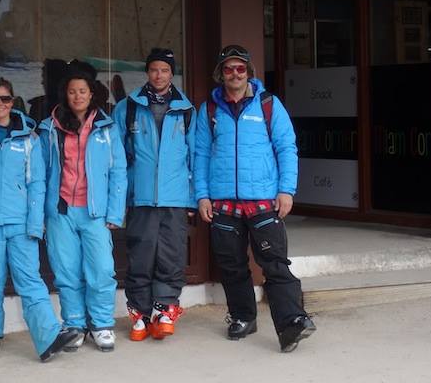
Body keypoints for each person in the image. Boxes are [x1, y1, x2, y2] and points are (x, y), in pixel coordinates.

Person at [195, 44, 317, 353]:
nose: (234, 74)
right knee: (232, 265)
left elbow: (287, 148)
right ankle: (242, 317)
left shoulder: (269, 105)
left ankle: (292, 322)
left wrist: (286, 190)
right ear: (220, 74)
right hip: (222, 202)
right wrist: (202, 196)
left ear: (249, 71)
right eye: (228, 69)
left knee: (275, 264)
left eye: (240, 68)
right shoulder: (208, 110)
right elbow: (199, 154)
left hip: (263, 200)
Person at [0, 76, 83, 361]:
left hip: (20, 224)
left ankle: (48, 336)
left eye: (6, 99)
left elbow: (36, 183)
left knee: (31, 279)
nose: (1, 105)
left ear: (13, 101)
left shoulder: (28, 137)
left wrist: (34, 223)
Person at [39, 61, 126, 351]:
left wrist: (115, 212)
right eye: (72, 91)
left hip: (94, 212)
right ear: (66, 94)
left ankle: (101, 323)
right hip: (61, 210)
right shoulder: (50, 127)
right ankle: (74, 323)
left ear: (92, 94)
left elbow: (118, 172)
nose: (77, 96)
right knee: (66, 272)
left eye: (83, 91)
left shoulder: (106, 127)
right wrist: (42, 212)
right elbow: (40, 172)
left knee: (101, 270)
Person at [114, 48, 196, 342]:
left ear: (171, 73)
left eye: (164, 70)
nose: (159, 75)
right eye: (153, 70)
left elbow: (194, 155)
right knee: (141, 254)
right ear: (147, 73)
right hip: (142, 196)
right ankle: (139, 311)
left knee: (171, 255)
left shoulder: (186, 110)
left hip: (175, 197)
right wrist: (121, 198)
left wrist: (193, 197)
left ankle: (165, 308)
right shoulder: (129, 107)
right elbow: (118, 157)